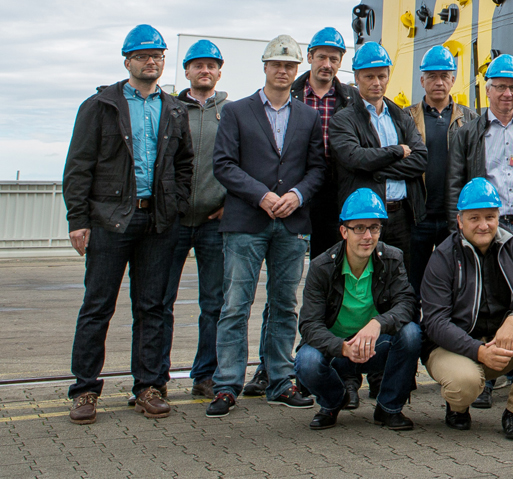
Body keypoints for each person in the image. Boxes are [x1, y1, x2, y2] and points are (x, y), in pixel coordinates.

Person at [63, 25, 194, 424]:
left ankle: (149, 387)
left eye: (157, 56)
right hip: (109, 221)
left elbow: (184, 163)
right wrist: (78, 220)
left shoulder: (173, 108)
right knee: (97, 306)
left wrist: (176, 204)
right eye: (142, 56)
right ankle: (85, 390)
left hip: (158, 221)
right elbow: (78, 165)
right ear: (127, 62)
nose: (151, 62)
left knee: (152, 307)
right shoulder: (100, 106)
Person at [206, 34, 325, 417]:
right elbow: (224, 164)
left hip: (292, 224)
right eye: (277, 64)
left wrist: (297, 195)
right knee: (235, 306)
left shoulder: (307, 116)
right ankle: (227, 385)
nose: (283, 71)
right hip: (246, 222)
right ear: (265, 67)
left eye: (289, 66)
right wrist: (261, 196)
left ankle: (280, 380)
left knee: (284, 306)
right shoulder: (237, 112)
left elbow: (317, 168)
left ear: (296, 70)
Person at [420, 178, 513, 440]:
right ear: (460, 220)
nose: (483, 225)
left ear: (499, 217)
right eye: (474, 218)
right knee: (465, 384)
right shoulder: (443, 257)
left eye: (490, 217)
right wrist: (479, 351)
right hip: (451, 348)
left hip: (498, 340)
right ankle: (458, 406)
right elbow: (435, 323)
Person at [295, 189, 421, 431]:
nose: (368, 236)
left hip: (374, 346)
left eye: (374, 228)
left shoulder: (392, 258)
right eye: (359, 228)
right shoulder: (321, 267)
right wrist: (342, 347)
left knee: (411, 334)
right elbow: (309, 325)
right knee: (307, 361)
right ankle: (333, 401)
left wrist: (377, 324)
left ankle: (389, 408)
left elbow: (407, 303)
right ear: (344, 231)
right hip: (336, 350)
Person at [159, 39, 228, 401]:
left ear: (219, 72)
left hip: (214, 222)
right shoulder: (168, 109)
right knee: (159, 301)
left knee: (214, 304)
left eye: (211, 65)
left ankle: (206, 375)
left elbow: (244, 159)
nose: (205, 70)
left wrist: (231, 202)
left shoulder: (231, 112)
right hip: (172, 220)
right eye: (198, 65)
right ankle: (154, 378)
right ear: (186, 70)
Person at [328, 42, 428, 258]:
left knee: (400, 274)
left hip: (402, 217)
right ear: (357, 77)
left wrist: (376, 169)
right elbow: (354, 158)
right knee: (363, 275)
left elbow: (420, 159)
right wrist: (396, 151)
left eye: (382, 76)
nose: (377, 82)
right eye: (369, 76)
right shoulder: (343, 120)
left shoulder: (401, 116)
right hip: (363, 219)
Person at [446, 54, 513, 246]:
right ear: (488, 90)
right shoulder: (467, 135)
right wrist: (458, 232)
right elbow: (455, 186)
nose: (507, 93)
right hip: (484, 227)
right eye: (501, 87)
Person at [408, 45, 472, 297]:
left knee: (455, 285)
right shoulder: (407, 118)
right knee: (412, 286)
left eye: (445, 76)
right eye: (432, 76)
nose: (439, 82)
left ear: (453, 80)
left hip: (453, 219)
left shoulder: (469, 119)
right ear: (422, 80)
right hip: (418, 217)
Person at [293, 27, 355, 258]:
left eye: (333, 59)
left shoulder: (351, 98)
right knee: (290, 257)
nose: (327, 64)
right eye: (321, 57)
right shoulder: (290, 94)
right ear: (309, 57)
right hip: (296, 185)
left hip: (334, 190)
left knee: (328, 259)